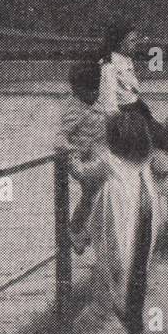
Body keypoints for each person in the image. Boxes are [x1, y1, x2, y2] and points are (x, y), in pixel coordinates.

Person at [86, 108, 166, 334]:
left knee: (115, 284)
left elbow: (83, 173)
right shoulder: (145, 161)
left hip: (120, 225)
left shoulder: (110, 162)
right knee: (135, 283)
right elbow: (166, 167)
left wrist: (69, 159)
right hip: (142, 223)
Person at [96, 18, 168, 167]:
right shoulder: (109, 66)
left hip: (138, 110)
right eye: (131, 40)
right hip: (128, 116)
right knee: (163, 148)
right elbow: (110, 104)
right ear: (120, 42)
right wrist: (122, 132)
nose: (135, 43)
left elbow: (132, 92)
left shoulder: (126, 60)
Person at [56, 60, 108, 253]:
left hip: (98, 153)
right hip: (81, 158)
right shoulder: (73, 108)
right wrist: (68, 151)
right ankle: (77, 229)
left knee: (94, 194)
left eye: (97, 89)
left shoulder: (98, 99)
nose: (95, 94)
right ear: (77, 90)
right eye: (90, 91)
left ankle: (81, 230)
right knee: (92, 193)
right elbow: (61, 136)